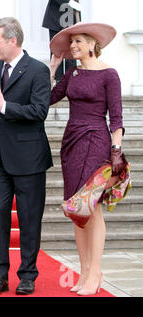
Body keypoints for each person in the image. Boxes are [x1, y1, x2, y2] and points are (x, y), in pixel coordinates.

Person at [0, 17, 53, 295]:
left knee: (29, 218)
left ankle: (27, 275)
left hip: (29, 158)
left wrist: (5, 107)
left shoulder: (37, 70)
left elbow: (39, 112)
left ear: (12, 41)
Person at [49, 22, 127, 295]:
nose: (73, 46)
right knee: (76, 210)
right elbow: (46, 98)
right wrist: (52, 66)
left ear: (93, 44)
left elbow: (116, 117)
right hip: (71, 143)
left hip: (96, 142)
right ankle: (83, 272)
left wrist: (116, 151)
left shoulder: (110, 75)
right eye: (71, 42)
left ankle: (95, 272)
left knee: (91, 208)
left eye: (79, 41)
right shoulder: (72, 74)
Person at [42, 0, 81, 83]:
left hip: (71, 13)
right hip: (55, 16)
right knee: (56, 49)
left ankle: (71, 80)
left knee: (72, 47)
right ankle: (57, 81)